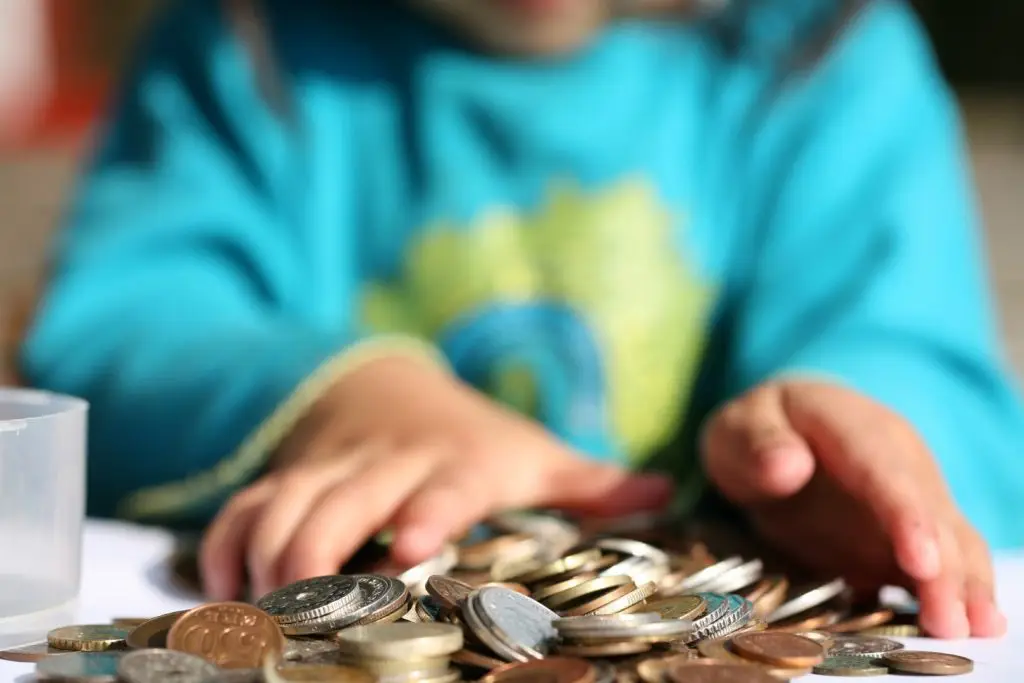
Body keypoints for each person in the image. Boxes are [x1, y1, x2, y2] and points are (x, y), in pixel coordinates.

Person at [18, 0, 1024, 639]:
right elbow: (111, 331)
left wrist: (849, 450)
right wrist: (355, 397)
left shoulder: (827, 49)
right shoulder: (240, 44)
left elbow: (921, 352)